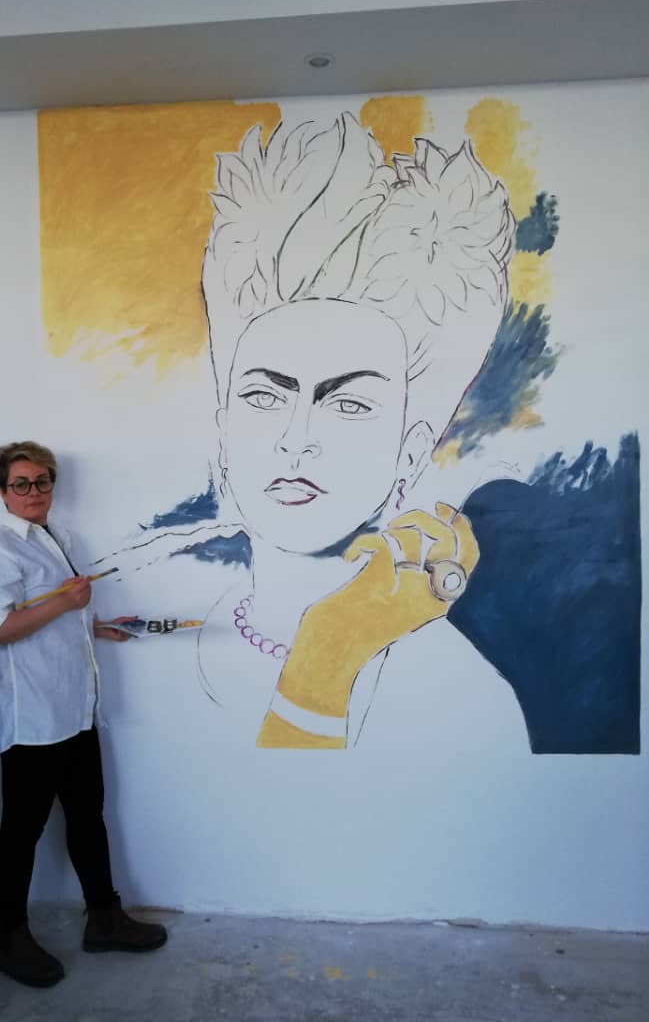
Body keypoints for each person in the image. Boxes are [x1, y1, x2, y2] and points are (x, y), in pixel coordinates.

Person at [110, 113, 528, 751]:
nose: (296, 437)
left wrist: (327, 656)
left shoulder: (460, 694)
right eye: (263, 396)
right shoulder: (166, 640)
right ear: (224, 429)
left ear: (410, 451)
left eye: (349, 404)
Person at [0, 441, 167, 988]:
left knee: (87, 816)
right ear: (3, 492)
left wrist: (98, 625)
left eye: (43, 481)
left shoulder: (61, 539)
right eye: (21, 483)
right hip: (31, 717)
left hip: (73, 709)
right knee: (21, 830)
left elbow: (52, 617)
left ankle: (105, 918)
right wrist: (64, 603)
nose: (34, 491)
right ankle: (9, 939)